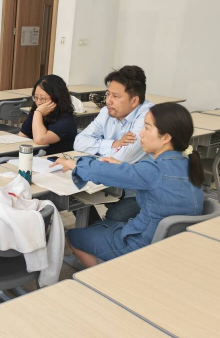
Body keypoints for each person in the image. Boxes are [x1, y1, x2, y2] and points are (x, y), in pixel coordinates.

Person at [52, 103, 204, 267]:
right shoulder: (189, 164)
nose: (141, 133)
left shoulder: (154, 170)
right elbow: (145, 175)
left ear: (166, 137)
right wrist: (120, 165)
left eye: (147, 128)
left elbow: (101, 172)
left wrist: (73, 164)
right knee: (103, 225)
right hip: (172, 244)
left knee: (73, 236)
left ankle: (103, 277)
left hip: (140, 243)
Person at [73, 65, 154, 223]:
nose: (108, 101)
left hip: (140, 190)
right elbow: (79, 142)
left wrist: (100, 150)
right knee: (76, 195)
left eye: (115, 96)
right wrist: (114, 144)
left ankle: (102, 231)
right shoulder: (107, 111)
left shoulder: (148, 117)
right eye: (108, 94)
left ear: (134, 100)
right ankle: (95, 231)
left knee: (115, 216)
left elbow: (122, 158)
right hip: (113, 180)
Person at [18, 74, 77, 155]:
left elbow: (40, 139)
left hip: (54, 160)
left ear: (57, 98)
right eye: (36, 97)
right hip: (34, 156)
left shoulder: (66, 121)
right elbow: (22, 136)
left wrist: (38, 113)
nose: (38, 102)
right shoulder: (37, 110)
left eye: (43, 99)